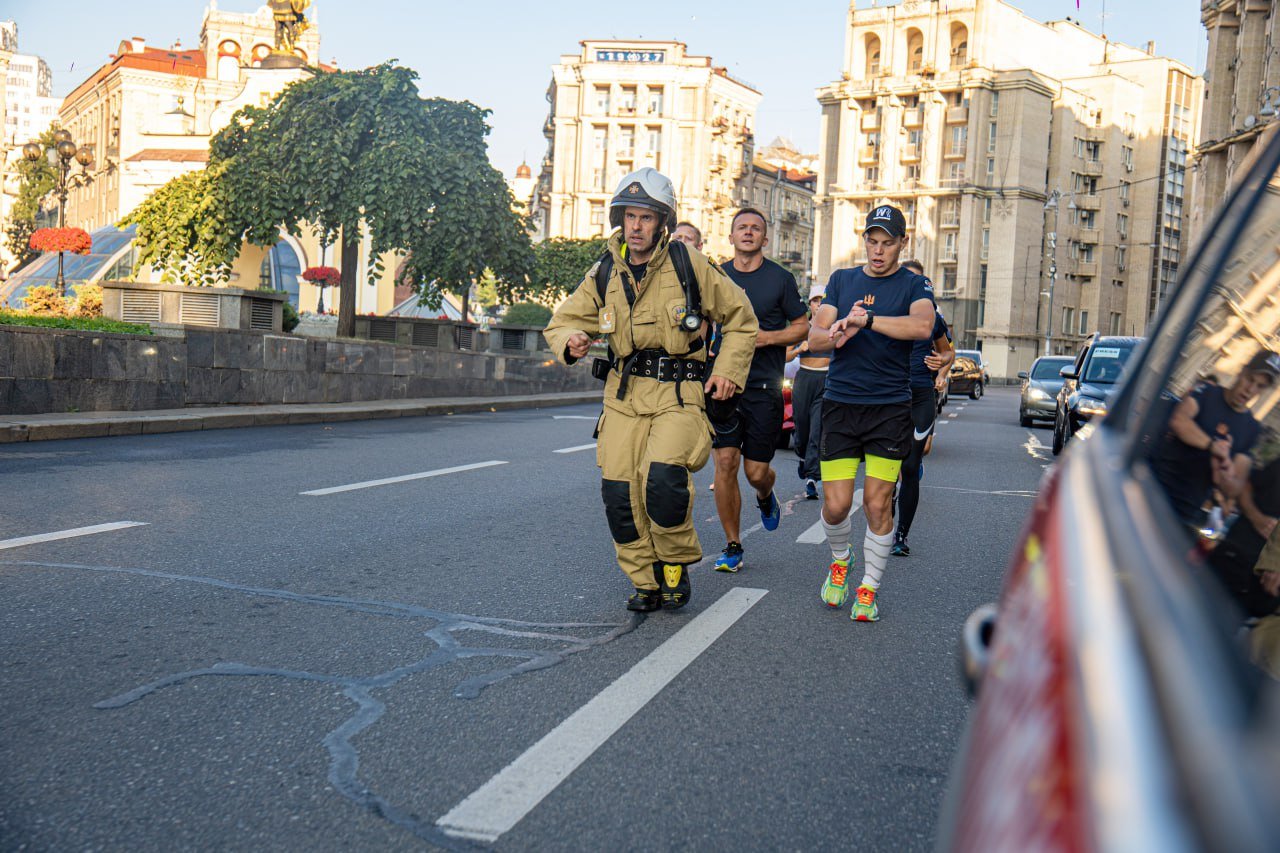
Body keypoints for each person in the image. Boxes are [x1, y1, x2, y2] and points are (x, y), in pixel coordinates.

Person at [543, 168, 758, 612]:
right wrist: (571, 341)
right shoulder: (604, 271)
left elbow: (741, 318)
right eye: (629, 216)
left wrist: (728, 371)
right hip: (623, 396)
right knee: (619, 494)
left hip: (679, 395)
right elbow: (562, 320)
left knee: (663, 483)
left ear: (662, 221)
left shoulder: (688, 263)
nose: (636, 226)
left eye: (646, 217)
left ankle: (673, 564)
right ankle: (644, 579)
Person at [807, 204, 935, 621]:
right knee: (837, 505)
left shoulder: (916, 285)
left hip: (889, 409)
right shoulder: (843, 280)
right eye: (872, 242)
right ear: (865, 241)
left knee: (879, 505)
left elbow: (921, 328)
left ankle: (868, 590)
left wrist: (869, 320)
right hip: (842, 405)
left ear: (902, 243)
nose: (878, 251)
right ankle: (840, 561)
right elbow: (816, 336)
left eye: (887, 243)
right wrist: (839, 328)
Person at [709, 208, 809, 573]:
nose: (748, 233)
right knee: (724, 462)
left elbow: (801, 327)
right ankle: (732, 545)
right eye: (742, 228)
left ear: (765, 239)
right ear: (731, 236)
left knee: (754, 472)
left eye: (755, 229)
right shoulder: (716, 275)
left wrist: (768, 337)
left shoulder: (780, 279)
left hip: (764, 384)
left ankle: (766, 495)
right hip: (723, 383)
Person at [1151, 350, 1279, 536]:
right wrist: (1213, 446)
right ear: (1242, 372)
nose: (1251, 389)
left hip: (1184, 512)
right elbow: (1179, 420)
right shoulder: (1207, 392)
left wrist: (1225, 472)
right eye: (1250, 380)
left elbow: (1235, 486)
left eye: (1259, 386)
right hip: (1153, 485)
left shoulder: (1252, 429)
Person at [891, 259, 954, 556]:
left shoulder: (932, 319)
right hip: (887, 396)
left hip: (920, 395)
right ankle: (883, 516)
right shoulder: (885, 312)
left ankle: (901, 536)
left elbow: (947, 352)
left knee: (910, 466)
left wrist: (941, 367)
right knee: (887, 467)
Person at [786, 285, 831, 500]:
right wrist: (798, 349)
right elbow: (784, 356)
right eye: (815, 300)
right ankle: (803, 459)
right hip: (804, 378)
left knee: (817, 430)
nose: (819, 304)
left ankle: (812, 478)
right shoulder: (803, 328)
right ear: (810, 304)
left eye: (823, 300)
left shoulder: (834, 328)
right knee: (802, 428)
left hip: (826, 380)